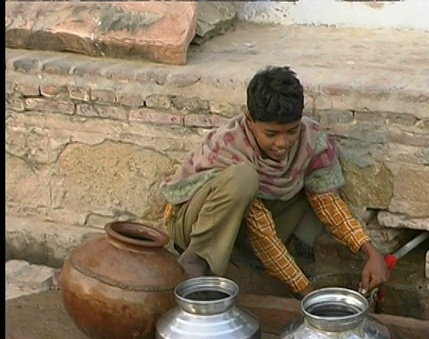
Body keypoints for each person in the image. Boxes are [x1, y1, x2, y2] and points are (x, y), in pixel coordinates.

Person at [161, 65, 389, 299]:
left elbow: (328, 203)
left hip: (245, 231)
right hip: (195, 225)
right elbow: (261, 230)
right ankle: (196, 265)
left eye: (291, 131)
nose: (283, 143)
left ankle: (248, 264)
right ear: (250, 121)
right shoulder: (230, 146)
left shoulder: (311, 139)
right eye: (271, 134)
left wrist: (370, 252)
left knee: (310, 188)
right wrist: (307, 294)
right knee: (243, 179)